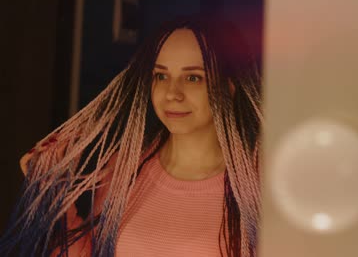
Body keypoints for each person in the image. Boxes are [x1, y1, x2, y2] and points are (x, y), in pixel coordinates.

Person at [0, 15, 262, 257]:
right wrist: (51, 190)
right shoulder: (123, 168)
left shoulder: (258, 182)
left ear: (230, 86)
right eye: (161, 75)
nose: (172, 93)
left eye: (193, 78)